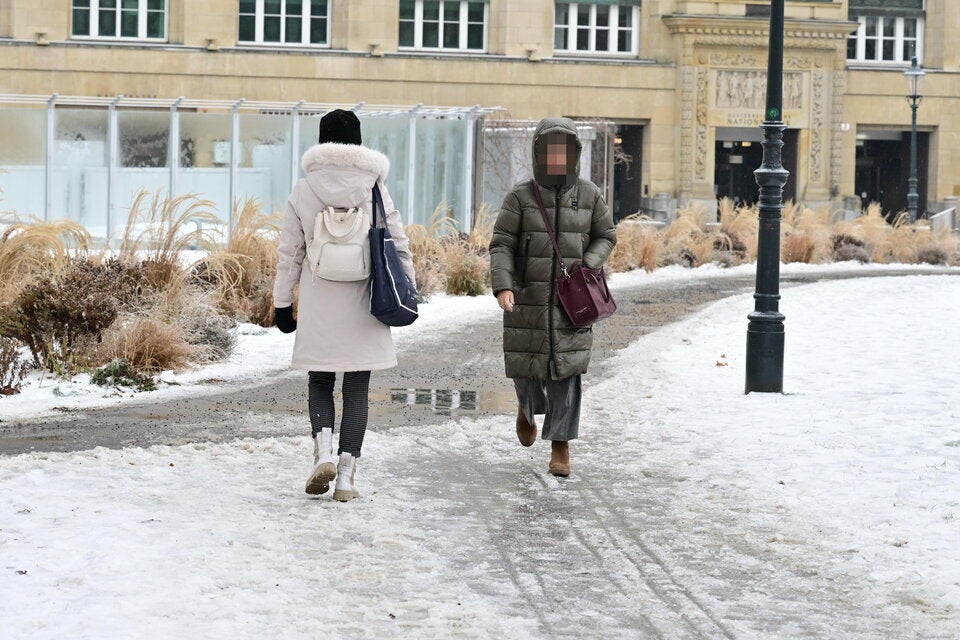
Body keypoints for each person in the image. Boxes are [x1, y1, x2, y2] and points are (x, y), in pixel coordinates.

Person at [273, 109, 415, 501]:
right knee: (357, 387)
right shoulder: (375, 187)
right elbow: (398, 241)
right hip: (365, 299)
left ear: (322, 142)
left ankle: (323, 453)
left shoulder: (304, 189)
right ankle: (347, 478)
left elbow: (290, 252)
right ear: (357, 143)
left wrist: (282, 303)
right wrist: (409, 289)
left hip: (319, 298)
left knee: (319, 379)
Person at [488, 117, 617, 477]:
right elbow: (502, 244)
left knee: (566, 372)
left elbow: (606, 235)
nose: (557, 158)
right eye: (550, 151)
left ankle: (561, 445)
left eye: (564, 151)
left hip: (573, 301)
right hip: (527, 296)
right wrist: (503, 285)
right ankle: (527, 409)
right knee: (525, 365)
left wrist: (587, 265)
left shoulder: (589, 195)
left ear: (574, 153)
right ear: (539, 153)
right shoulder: (520, 197)